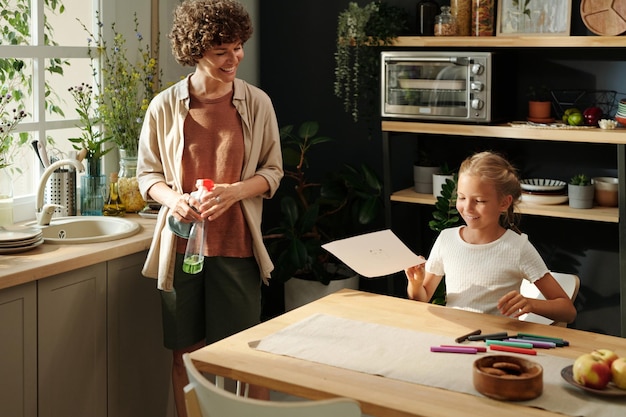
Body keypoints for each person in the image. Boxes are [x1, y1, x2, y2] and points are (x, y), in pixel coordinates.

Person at [136, 0, 283, 414]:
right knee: (186, 356)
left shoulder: (257, 103)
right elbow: (147, 177)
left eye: (237, 48)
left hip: (236, 247)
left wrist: (235, 191)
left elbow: (273, 172)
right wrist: (175, 200)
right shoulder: (164, 106)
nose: (234, 59)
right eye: (222, 52)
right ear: (196, 51)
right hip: (181, 250)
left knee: (241, 359)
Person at [405, 151, 576, 324]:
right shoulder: (446, 240)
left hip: (496, 341)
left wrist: (531, 303)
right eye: (462, 197)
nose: (468, 208)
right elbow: (421, 299)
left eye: (479, 201)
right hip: (455, 337)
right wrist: (416, 284)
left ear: (504, 203)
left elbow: (568, 311)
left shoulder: (517, 247)